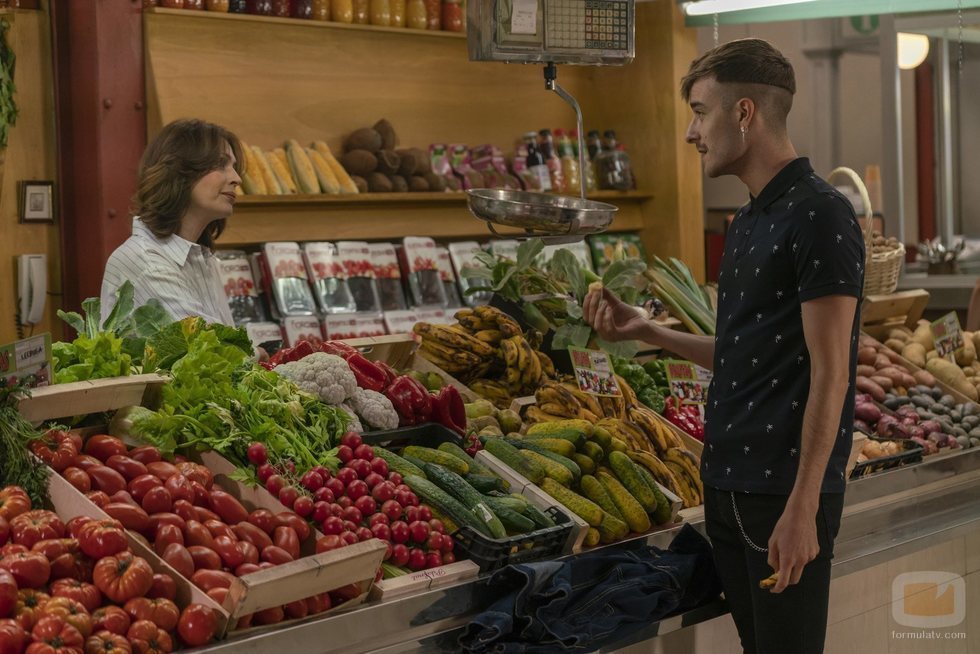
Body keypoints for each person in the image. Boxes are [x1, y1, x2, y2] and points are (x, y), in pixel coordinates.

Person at [585, 38, 864, 654]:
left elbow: (833, 374)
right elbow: (745, 354)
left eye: (699, 110)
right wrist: (647, 331)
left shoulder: (821, 214)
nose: (691, 131)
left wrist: (803, 506)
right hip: (727, 483)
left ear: (744, 113)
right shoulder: (748, 221)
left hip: (781, 496)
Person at [100, 118, 243, 326]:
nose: (237, 178)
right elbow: (208, 346)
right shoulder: (147, 261)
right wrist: (259, 352)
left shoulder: (200, 258)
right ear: (180, 172)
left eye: (234, 166)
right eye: (221, 164)